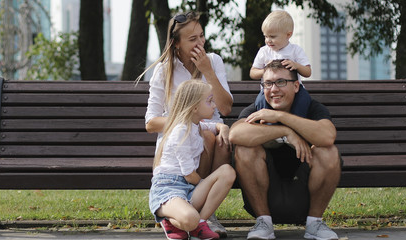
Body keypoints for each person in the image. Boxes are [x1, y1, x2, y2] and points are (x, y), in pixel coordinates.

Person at [137, 11, 233, 236]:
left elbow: (226, 108)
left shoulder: (214, 61)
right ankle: (190, 213)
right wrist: (188, 120)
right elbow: (151, 122)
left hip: (212, 136)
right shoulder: (164, 69)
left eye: (201, 36)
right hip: (177, 139)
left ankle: (204, 215)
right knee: (203, 134)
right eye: (192, 39)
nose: (200, 43)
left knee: (215, 138)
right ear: (176, 44)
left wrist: (208, 71)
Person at [229, 60, 341, 240]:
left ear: (296, 86)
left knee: (328, 151)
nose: (273, 89)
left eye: (281, 82)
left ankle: (315, 224)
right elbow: (235, 134)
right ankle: (264, 223)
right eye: (268, 84)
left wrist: (280, 116)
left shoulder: (312, 108)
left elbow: (327, 136)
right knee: (244, 149)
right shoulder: (258, 110)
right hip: (264, 198)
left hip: (306, 198)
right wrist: (285, 131)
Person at [149, 80, 235, 240]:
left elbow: (212, 126)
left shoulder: (196, 125)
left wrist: (222, 127)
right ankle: (168, 216)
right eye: (209, 101)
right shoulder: (181, 131)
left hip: (187, 187)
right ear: (195, 107)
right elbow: (189, 175)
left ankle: (200, 224)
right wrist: (207, 186)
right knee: (190, 218)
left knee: (227, 172)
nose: (214, 105)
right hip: (169, 188)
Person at [250, 10, 312, 116]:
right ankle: (265, 123)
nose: (268, 40)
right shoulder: (264, 51)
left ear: (288, 35)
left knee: (304, 99)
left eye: (273, 37)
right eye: (266, 36)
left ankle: (296, 122)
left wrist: (296, 65)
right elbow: (253, 73)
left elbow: (307, 72)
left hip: (294, 91)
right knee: (260, 101)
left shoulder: (295, 50)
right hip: (268, 91)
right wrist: (265, 70)